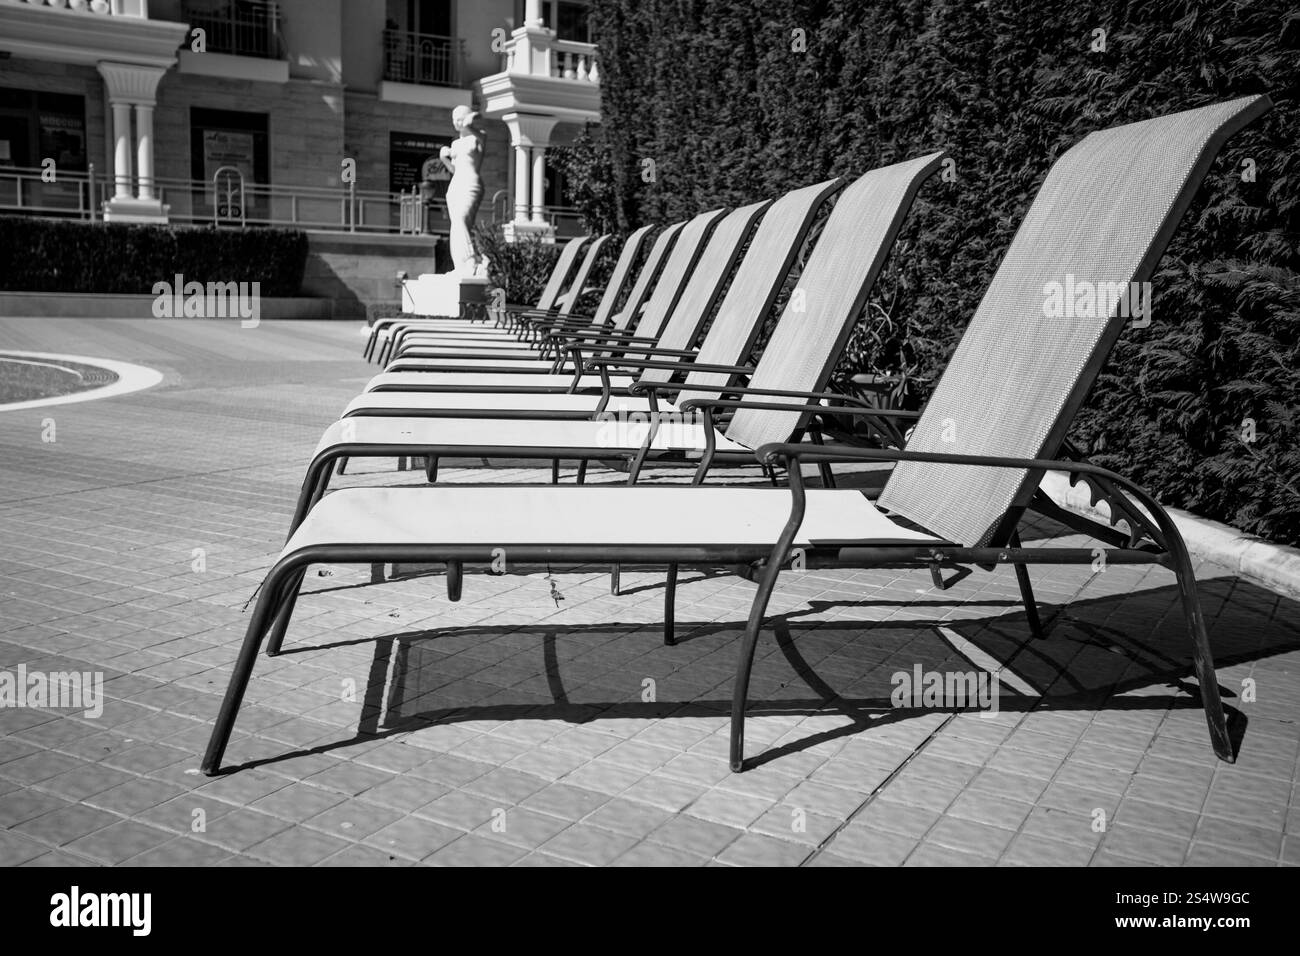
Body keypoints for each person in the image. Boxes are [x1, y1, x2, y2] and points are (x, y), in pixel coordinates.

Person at [439, 105, 486, 275]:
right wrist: (444, 159)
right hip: (456, 185)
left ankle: (471, 260)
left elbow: (480, 138)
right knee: (457, 226)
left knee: (461, 220)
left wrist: (469, 124)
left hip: (471, 184)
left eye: (460, 119)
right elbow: (454, 169)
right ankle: (461, 266)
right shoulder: (456, 144)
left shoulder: (478, 138)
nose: (456, 123)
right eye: (454, 119)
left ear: (468, 119)